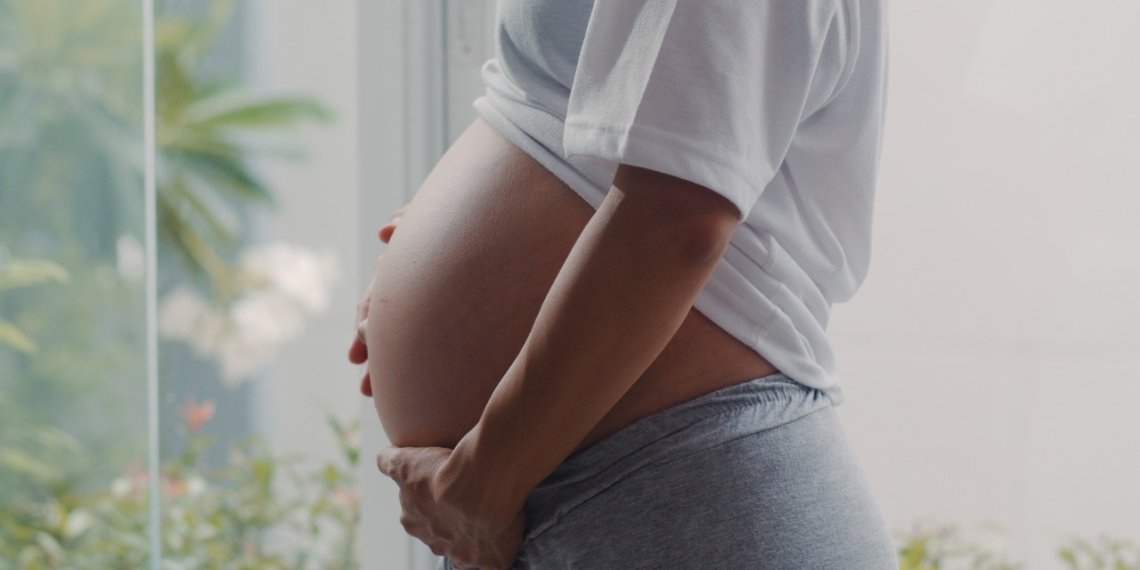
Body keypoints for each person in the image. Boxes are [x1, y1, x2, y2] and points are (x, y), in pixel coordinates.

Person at [349, 0, 897, 568]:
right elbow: (570, 98)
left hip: (683, 491)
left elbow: (677, 220)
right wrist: (446, 230)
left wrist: (481, 484)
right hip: (578, 490)